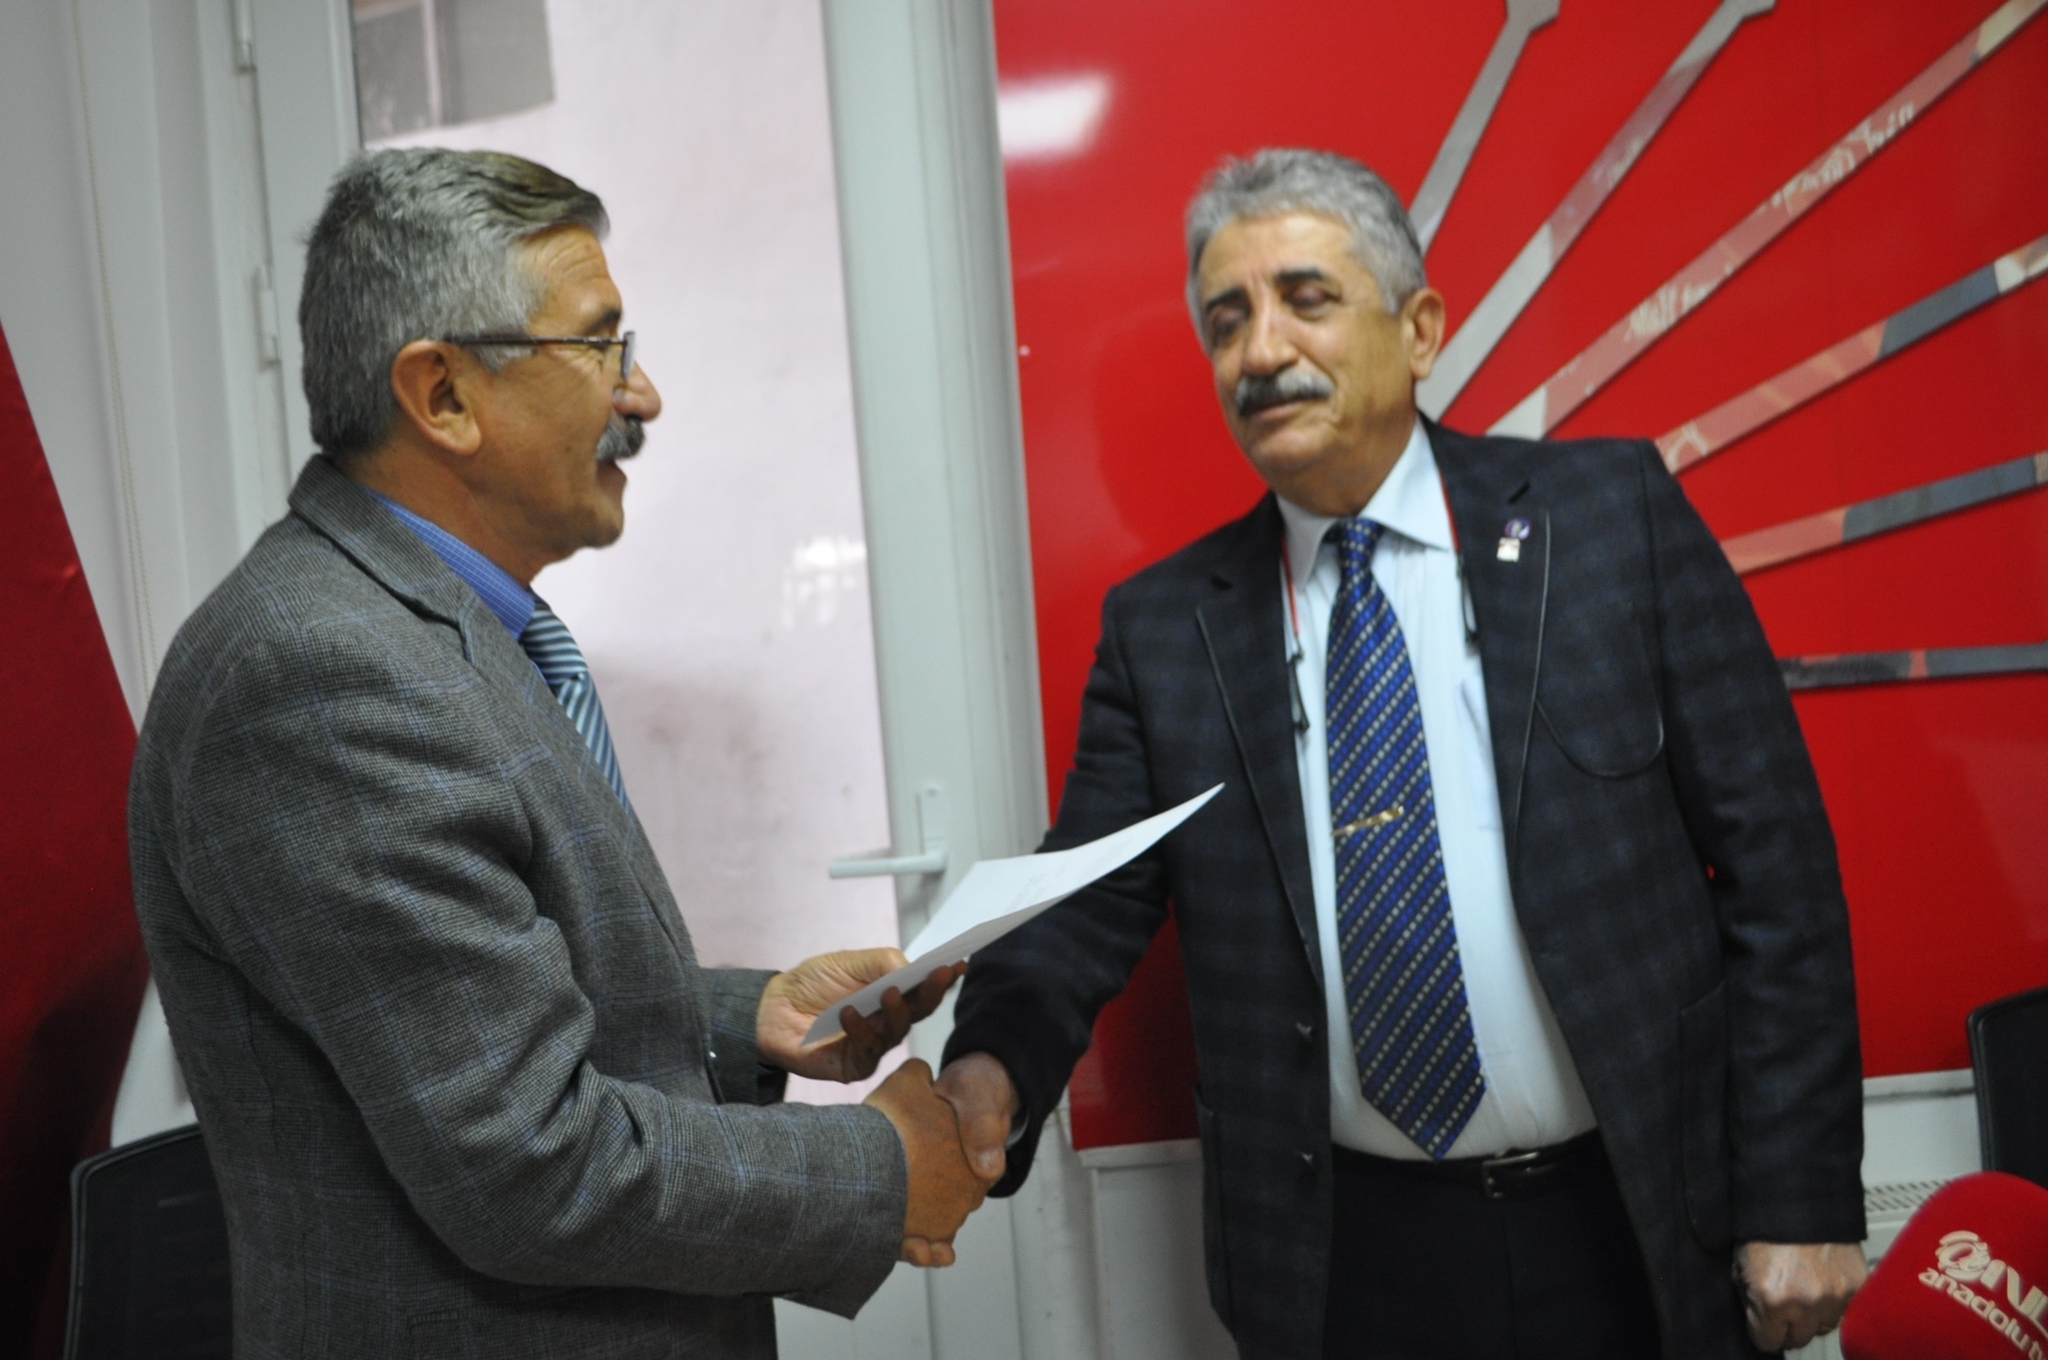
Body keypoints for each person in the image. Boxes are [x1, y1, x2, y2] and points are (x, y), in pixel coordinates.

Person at [934, 149, 1868, 1359]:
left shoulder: (1607, 519)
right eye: (1226, 320)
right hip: (1345, 1264)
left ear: (1418, 329)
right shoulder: (1166, 629)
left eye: (1304, 299)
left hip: (1635, 1219)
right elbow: (1085, 898)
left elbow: (1775, 867)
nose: (1260, 351)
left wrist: (1799, 1191)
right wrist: (987, 1067)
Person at [128, 148, 986, 1358]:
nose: (644, 397)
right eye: (600, 346)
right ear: (443, 396)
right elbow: (527, 1160)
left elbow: (473, 1009)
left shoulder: (434, 629)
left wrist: (742, 1018)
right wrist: (879, 1167)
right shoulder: (320, 674)